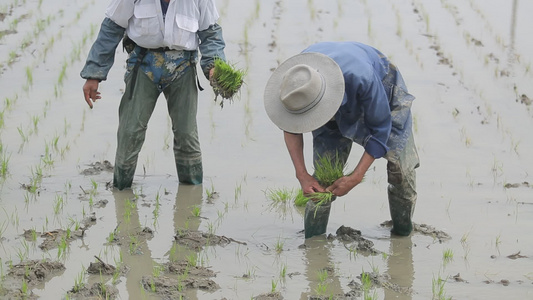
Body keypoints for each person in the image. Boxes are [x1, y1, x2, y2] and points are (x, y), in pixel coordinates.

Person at [264, 41, 420, 236]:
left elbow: (380, 130)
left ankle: (402, 235)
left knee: (401, 171)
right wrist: (301, 174)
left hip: (380, 88)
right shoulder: (295, 84)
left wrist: (355, 177)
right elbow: (291, 127)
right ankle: (314, 245)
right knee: (321, 181)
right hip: (321, 95)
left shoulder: (362, 78)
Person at [81, 0, 226, 190]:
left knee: (186, 134)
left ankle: (191, 197)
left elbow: (211, 33)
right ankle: (121, 191)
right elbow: (112, 27)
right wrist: (94, 75)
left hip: (183, 66)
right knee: (130, 131)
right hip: (143, 64)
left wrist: (214, 66)